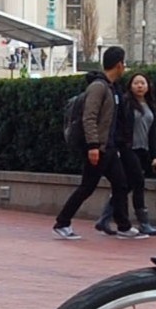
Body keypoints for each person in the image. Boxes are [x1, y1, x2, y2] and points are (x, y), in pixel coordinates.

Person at [52, 48, 136, 241]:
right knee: (87, 187)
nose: (125, 68)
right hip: (98, 147)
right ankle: (62, 222)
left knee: (121, 184)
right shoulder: (99, 87)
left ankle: (123, 225)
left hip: (108, 147)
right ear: (119, 65)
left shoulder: (112, 87)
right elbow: (89, 117)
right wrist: (93, 146)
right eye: (124, 63)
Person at [123, 72, 156, 238]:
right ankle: (144, 222)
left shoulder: (150, 106)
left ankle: (105, 217)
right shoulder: (126, 104)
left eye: (143, 83)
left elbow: (152, 133)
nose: (140, 86)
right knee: (139, 182)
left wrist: (155, 156)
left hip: (144, 150)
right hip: (128, 149)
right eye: (136, 83)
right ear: (130, 86)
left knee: (127, 186)